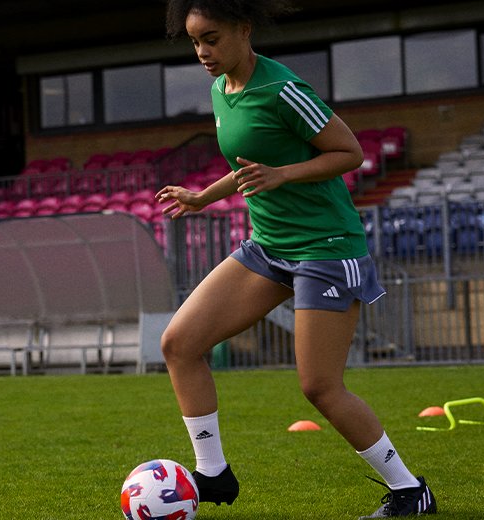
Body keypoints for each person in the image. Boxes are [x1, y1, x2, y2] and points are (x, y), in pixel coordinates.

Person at [156, 1, 437, 517]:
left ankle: (409, 491)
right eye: (195, 42)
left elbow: (348, 152)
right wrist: (202, 196)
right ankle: (213, 475)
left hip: (326, 249)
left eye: (212, 39)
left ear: (244, 30)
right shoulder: (222, 90)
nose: (202, 52)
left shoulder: (283, 89)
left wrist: (285, 173)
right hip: (270, 246)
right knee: (179, 343)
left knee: (319, 386)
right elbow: (251, 167)